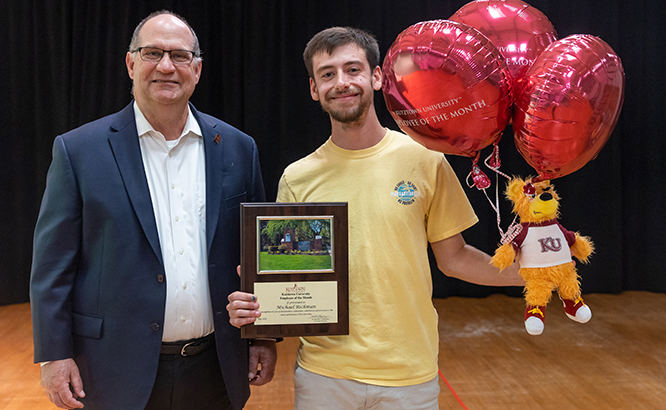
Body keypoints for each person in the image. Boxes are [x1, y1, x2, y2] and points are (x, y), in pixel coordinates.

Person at [226, 27, 523, 410]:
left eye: (353, 69)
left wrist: (531, 275)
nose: (342, 82)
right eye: (328, 74)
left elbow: (455, 258)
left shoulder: (425, 159)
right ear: (314, 88)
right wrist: (257, 310)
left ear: (378, 77)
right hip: (324, 376)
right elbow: (287, 280)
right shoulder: (298, 177)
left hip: (409, 376)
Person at [30, 10, 276, 410]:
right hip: (113, 369)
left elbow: (258, 257)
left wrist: (262, 336)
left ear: (197, 69)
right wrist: (54, 354)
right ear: (131, 64)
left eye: (179, 56)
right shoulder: (78, 151)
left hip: (216, 368)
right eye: (152, 53)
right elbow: (52, 268)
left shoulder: (238, 148)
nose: (166, 66)